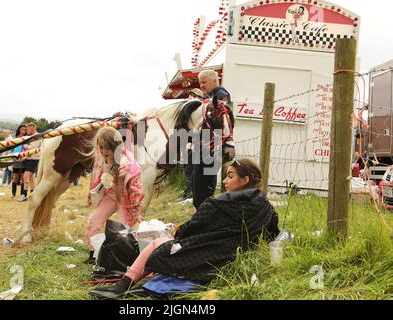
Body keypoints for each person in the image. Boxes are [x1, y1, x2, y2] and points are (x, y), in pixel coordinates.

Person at [89, 158, 279, 299]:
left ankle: (121, 287)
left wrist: (175, 232)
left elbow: (186, 232)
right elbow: (272, 235)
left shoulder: (217, 204)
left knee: (160, 243)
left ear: (245, 180)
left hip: (204, 262)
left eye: (230, 176)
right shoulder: (267, 209)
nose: (224, 181)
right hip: (232, 264)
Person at [84, 127, 145, 265]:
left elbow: (135, 189)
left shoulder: (127, 163)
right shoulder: (102, 159)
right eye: (101, 147)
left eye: (107, 148)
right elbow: (97, 178)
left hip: (125, 199)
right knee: (93, 221)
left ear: (115, 146)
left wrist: (136, 211)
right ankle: (94, 254)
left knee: (120, 231)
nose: (104, 151)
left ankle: (118, 258)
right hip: (110, 195)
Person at [191, 70, 235, 208]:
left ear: (215, 81)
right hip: (205, 145)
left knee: (204, 185)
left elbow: (222, 121)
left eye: (204, 82)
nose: (201, 86)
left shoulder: (221, 96)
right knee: (198, 183)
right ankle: (201, 211)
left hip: (213, 146)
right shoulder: (210, 97)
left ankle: (206, 212)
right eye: (200, 83)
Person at [19, 123, 41, 202]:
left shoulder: (37, 136)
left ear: (32, 129)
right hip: (30, 158)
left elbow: (33, 148)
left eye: (27, 129)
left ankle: (24, 195)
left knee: (26, 176)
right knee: (31, 178)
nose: (26, 131)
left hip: (34, 159)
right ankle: (33, 195)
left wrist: (24, 145)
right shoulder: (33, 136)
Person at [11, 125, 27, 199]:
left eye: (25, 130)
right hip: (16, 159)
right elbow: (12, 148)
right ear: (19, 130)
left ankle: (22, 194)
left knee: (23, 178)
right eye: (22, 129)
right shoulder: (15, 139)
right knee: (15, 177)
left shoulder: (27, 139)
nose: (23, 131)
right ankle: (13, 194)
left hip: (24, 159)